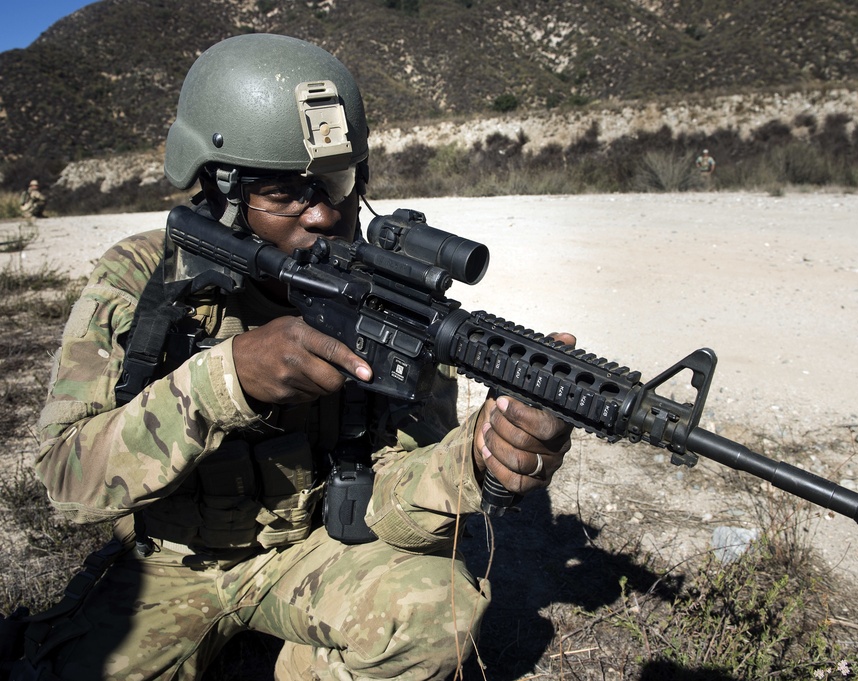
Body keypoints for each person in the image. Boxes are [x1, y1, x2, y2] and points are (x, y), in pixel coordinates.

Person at [18, 34, 572, 681]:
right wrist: (225, 382)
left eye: (338, 184)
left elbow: (389, 492)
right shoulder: (143, 276)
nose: (323, 214)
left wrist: (474, 461)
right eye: (284, 194)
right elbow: (63, 481)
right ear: (217, 189)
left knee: (437, 614)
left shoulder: (385, 300)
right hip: (171, 561)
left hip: (314, 548)